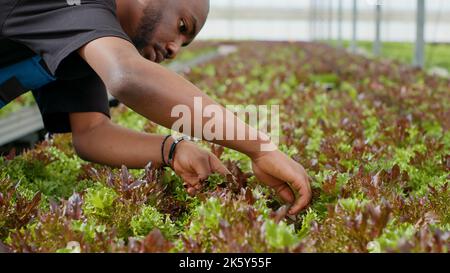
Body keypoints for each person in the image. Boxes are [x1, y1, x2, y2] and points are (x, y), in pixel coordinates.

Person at [0, 0, 311, 215]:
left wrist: (173, 150)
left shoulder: (84, 40)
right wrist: (260, 148)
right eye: (182, 25)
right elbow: (127, 76)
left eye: (184, 42)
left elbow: (91, 132)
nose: (175, 48)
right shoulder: (81, 7)